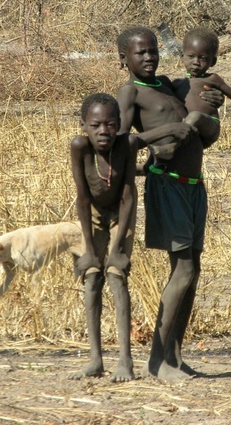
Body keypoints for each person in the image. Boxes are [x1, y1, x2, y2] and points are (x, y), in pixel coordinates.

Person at [116, 26, 220, 380]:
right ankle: (158, 361)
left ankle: (175, 356)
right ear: (124, 59)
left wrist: (210, 110)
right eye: (140, 53)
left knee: (193, 272)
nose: (149, 58)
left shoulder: (169, 85)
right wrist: (160, 138)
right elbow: (121, 143)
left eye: (153, 51)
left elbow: (197, 136)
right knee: (184, 269)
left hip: (194, 184)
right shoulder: (130, 92)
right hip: (169, 185)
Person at [69, 92, 140, 382]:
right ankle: (95, 360)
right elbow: (83, 198)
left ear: (120, 124)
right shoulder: (79, 147)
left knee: (116, 274)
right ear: (84, 125)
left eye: (110, 124)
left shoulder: (126, 145)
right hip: (94, 213)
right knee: (92, 277)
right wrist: (87, 248)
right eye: (96, 125)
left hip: (121, 214)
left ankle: (125, 361)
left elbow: (127, 194)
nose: (103, 131)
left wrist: (119, 247)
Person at [149, 26, 231, 160]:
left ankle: (172, 147)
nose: (196, 62)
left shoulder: (212, 78)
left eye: (203, 58)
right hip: (191, 132)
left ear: (212, 61)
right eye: (191, 56)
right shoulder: (177, 83)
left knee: (195, 116)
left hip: (209, 125)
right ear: (182, 56)